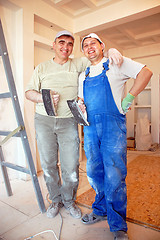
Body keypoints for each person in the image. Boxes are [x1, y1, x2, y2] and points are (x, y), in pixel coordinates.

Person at [25, 30, 123, 220]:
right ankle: (55, 200)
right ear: (53, 45)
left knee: (70, 165)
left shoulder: (78, 62)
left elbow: (97, 56)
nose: (66, 47)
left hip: (69, 121)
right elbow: (29, 92)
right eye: (61, 43)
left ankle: (69, 201)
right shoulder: (42, 68)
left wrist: (111, 50)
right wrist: (41, 98)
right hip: (44, 121)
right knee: (48, 164)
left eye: (70, 44)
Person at [78, 33, 153, 239]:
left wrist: (129, 97)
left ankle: (118, 224)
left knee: (115, 175)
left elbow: (145, 73)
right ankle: (100, 210)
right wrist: (80, 104)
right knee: (94, 173)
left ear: (102, 46)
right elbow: (80, 97)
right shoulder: (82, 75)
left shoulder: (114, 62)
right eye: (85, 45)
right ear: (83, 51)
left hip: (112, 127)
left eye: (93, 43)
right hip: (90, 128)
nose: (89, 47)